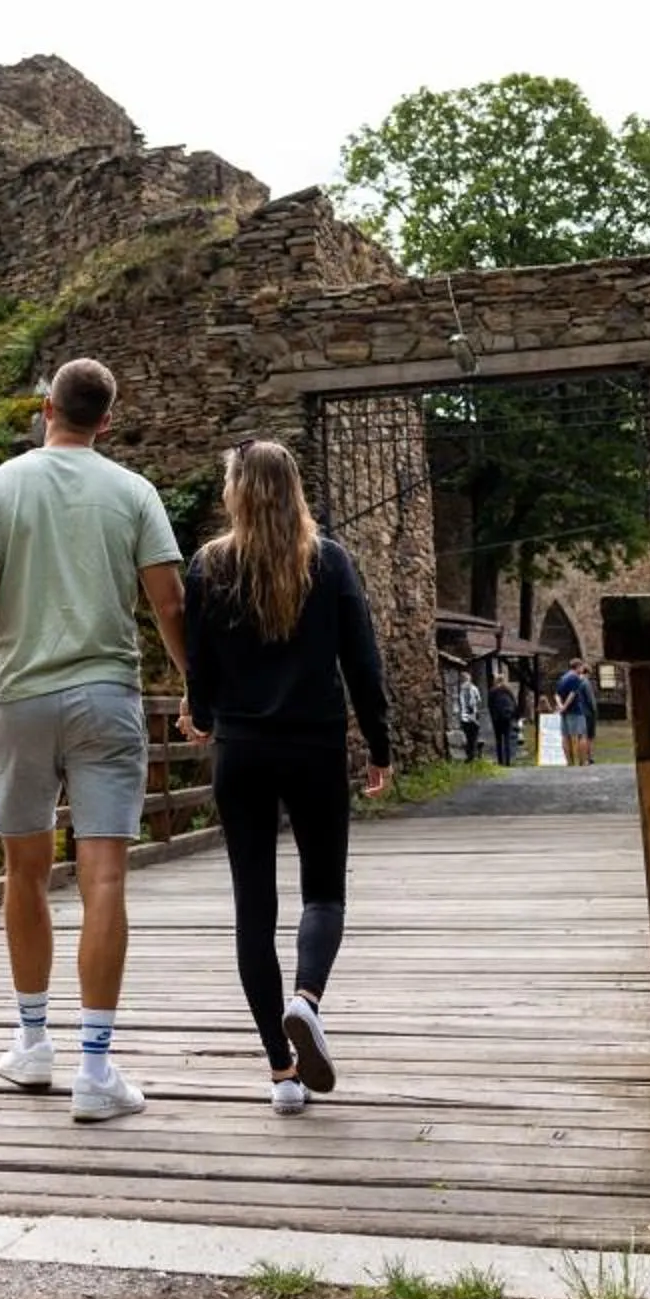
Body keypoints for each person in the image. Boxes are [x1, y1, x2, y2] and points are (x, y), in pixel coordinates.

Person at [0, 357, 186, 1124]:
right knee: (103, 877)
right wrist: (198, 685)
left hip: (19, 700)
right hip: (107, 696)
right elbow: (169, 603)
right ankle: (96, 1068)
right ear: (106, 421)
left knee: (24, 872)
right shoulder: (134, 492)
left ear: (46, 407)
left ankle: (31, 1043)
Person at [183, 440, 393, 1114]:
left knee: (254, 907)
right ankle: (307, 999)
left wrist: (204, 715)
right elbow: (362, 662)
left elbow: (199, 663)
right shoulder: (329, 561)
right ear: (294, 489)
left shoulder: (209, 565)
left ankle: (281, 1073)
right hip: (314, 747)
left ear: (236, 494)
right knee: (323, 893)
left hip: (241, 752)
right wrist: (380, 746)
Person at [556, 658, 595, 766]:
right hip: (576, 710)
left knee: (565, 736)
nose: (582, 669)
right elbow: (572, 694)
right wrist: (565, 706)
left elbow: (557, 694)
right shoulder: (575, 678)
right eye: (581, 667)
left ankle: (569, 761)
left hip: (564, 712)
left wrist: (561, 706)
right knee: (581, 735)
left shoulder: (562, 678)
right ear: (578, 667)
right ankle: (582, 761)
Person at [486, 677, 518, 767]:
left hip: (497, 719)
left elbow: (489, 705)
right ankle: (508, 761)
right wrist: (512, 716)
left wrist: (493, 717)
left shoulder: (492, 691)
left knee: (499, 740)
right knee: (507, 739)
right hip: (507, 718)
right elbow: (514, 704)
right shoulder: (508, 691)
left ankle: (500, 761)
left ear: (496, 681)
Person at [454, 674, 482, 761]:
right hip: (473, 716)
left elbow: (458, 704)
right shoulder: (474, 688)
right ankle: (472, 756)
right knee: (473, 737)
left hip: (464, 717)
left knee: (468, 737)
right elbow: (478, 701)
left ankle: (470, 755)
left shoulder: (460, 690)